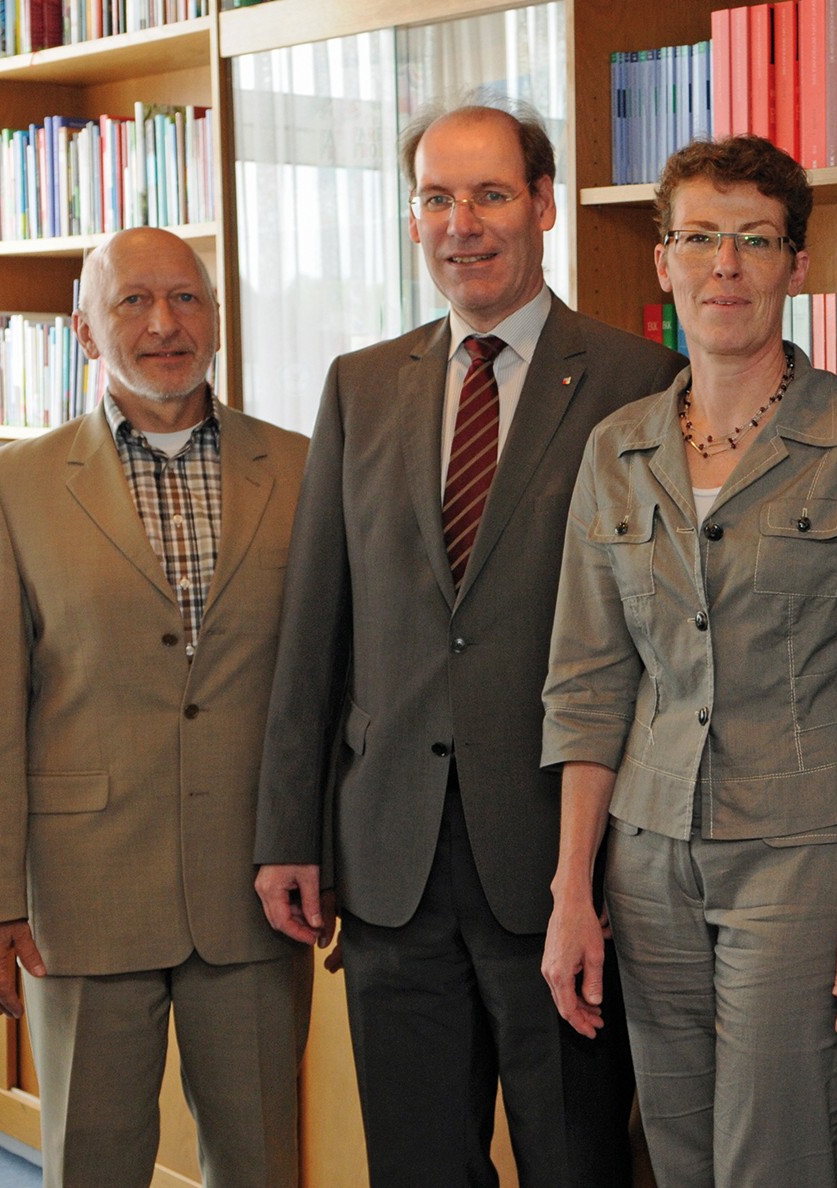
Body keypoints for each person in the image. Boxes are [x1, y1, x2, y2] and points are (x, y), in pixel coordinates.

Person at [252, 100, 684, 1187]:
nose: (463, 224)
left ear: (543, 205)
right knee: (417, 1166)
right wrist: (287, 831)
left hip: (562, 863)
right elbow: (316, 624)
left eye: (491, 194)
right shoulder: (361, 384)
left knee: (575, 1162)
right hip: (388, 862)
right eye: (437, 199)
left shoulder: (639, 381)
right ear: (413, 219)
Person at [540, 134, 837, 1188]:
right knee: (679, 1155)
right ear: (663, 259)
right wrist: (572, 890)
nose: (727, 266)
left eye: (756, 239)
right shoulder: (616, 449)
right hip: (646, 858)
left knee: (776, 1161)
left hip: (806, 859)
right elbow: (587, 684)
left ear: (798, 264)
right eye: (700, 237)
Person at [0, 227, 311, 1187]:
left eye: (186, 299)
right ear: (85, 331)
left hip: (254, 890)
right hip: (82, 899)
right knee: (94, 1164)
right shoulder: (14, 486)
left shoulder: (301, 467)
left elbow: (327, 682)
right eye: (133, 302)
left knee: (262, 1163)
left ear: (217, 320)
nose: (165, 324)